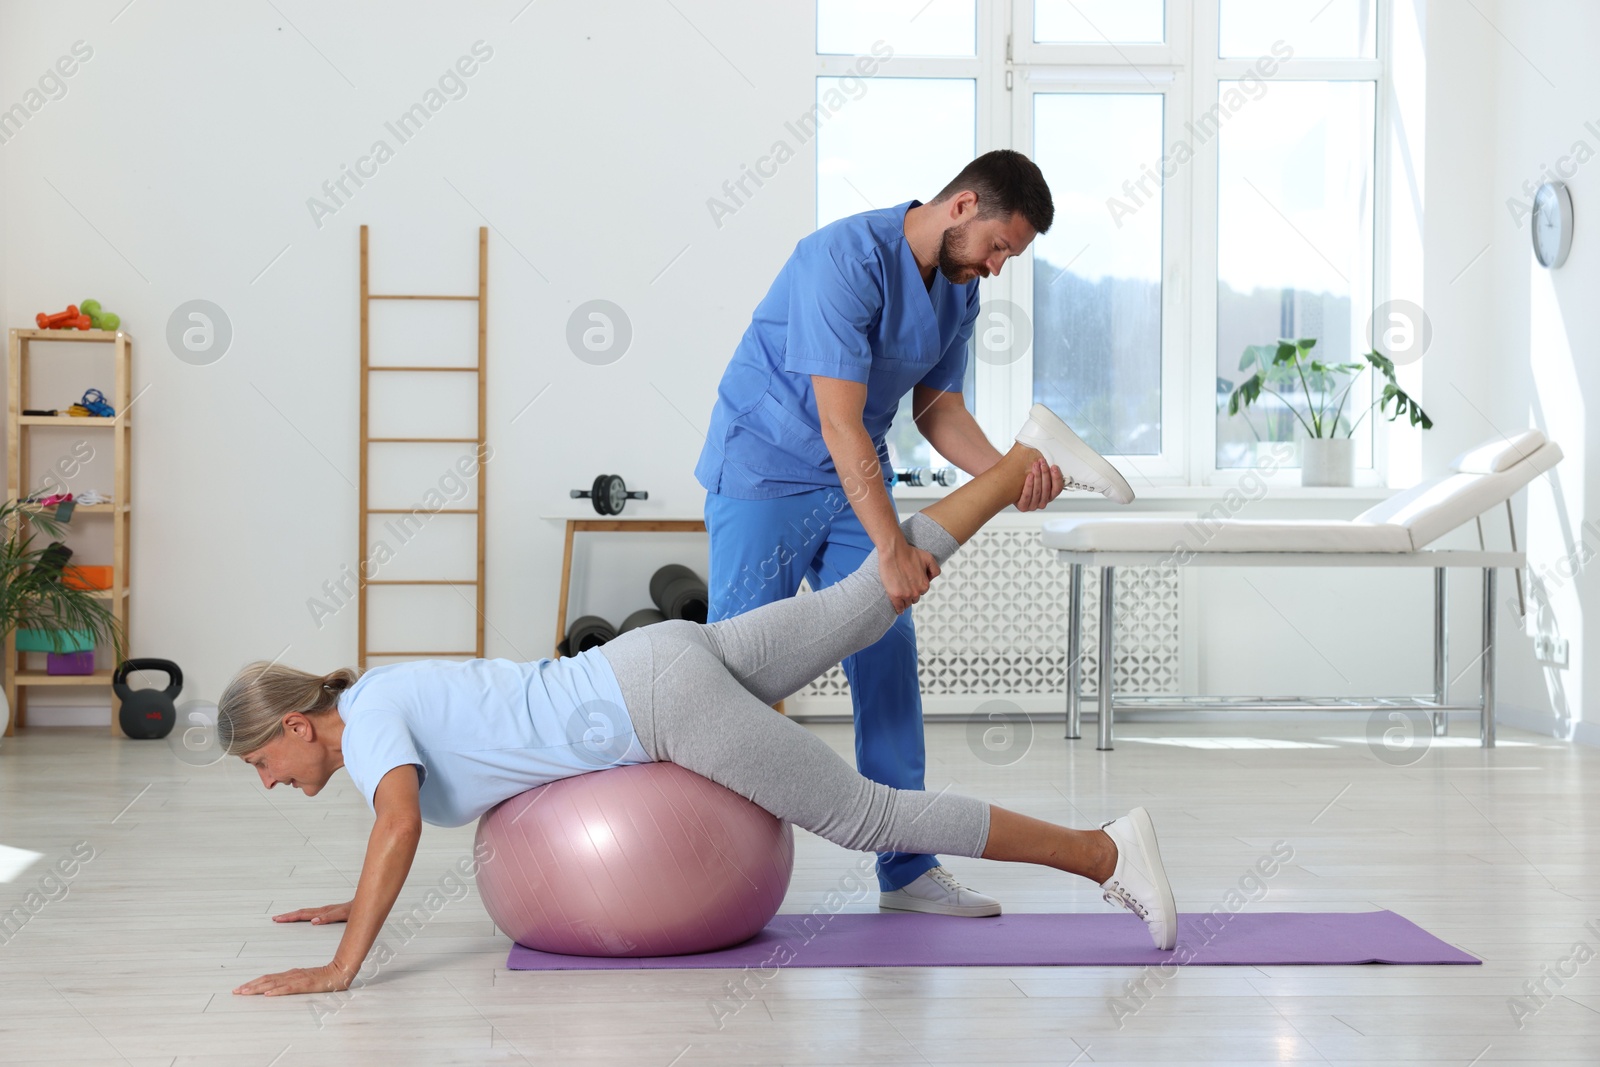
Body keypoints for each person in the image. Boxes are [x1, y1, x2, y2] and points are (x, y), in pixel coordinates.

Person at [225, 406, 1171, 998]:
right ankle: (1017, 463)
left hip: (654, 704)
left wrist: (346, 963)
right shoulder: (380, 697)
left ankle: (1103, 853)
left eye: (264, 763)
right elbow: (398, 823)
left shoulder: (373, 729)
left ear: (296, 725)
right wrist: (352, 905)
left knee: (868, 814)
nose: (270, 781)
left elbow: (399, 829)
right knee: (868, 595)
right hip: (653, 659)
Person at [694, 149, 1133, 917]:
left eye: (1012, 258)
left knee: (886, 645)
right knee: (738, 669)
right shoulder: (843, 257)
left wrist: (1005, 475)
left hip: (851, 479)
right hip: (763, 469)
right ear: (963, 207)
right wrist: (893, 545)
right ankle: (705, 851)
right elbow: (836, 417)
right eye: (1000, 246)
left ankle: (908, 868)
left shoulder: (957, 292)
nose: (998, 268)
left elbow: (937, 412)